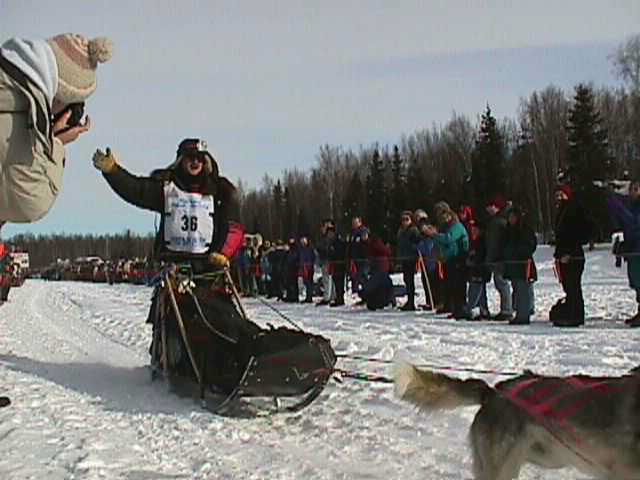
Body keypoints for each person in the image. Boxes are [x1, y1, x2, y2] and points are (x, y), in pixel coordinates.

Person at [93, 138, 255, 382]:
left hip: (208, 266)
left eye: (200, 158)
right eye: (190, 158)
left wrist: (223, 253)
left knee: (221, 313)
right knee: (175, 315)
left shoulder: (219, 191)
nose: (195, 162)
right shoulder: (167, 187)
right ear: (181, 160)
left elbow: (233, 226)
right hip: (174, 267)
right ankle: (169, 358)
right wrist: (113, 171)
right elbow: (135, 189)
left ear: (207, 161)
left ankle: (235, 359)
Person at [1, 33, 113, 224]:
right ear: (59, 93)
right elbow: (30, 204)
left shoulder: (13, 102)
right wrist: (56, 145)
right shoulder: (23, 124)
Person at [552, 184, 592, 327]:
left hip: (573, 255)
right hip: (565, 254)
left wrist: (568, 252)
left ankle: (576, 316)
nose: (558, 198)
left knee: (573, 286)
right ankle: (571, 313)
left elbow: (575, 234)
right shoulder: (562, 211)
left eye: (561, 195)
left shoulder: (573, 210)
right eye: (557, 195)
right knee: (569, 286)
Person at [423, 205, 469, 319]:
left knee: (458, 285)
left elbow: (448, 239)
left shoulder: (456, 226)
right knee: (449, 284)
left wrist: (434, 234)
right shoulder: (446, 228)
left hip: (457, 259)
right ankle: (451, 306)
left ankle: (460, 308)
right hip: (448, 260)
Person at [607, 180, 640, 326]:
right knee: (636, 282)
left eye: (637, 189)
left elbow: (632, 222)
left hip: (638, 249)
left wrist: (617, 204)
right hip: (632, 249)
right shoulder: (630, 205)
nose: (634, 191)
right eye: (632, 189)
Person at [502, 206, 537, 325]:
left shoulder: (525, 230)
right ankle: (520, 313)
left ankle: (524, 315)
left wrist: (516, 252)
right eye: (509, 217)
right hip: (513, 265)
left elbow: (529, 246)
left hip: (523, 265)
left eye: (513, 217)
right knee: (517, 289)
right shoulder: (509, 230)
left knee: (524, 290)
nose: (511, 219)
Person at [484, 195, 514, 321]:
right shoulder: (495, 220)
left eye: (492, 206)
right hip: (495, 256)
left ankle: (507, 309)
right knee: (500, 284)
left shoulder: (500, 221)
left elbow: (500, 241)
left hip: (499, 257)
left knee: (502, 284)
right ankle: (506, 308)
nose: (489, 209)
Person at [396, 210, 420, 310]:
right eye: (403, 220)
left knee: (410, 280)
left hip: (411, 258)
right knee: (406, 279)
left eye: (407, 219)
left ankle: (411, 302)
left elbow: (418, 243)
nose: (404, 222)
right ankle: (409, 301)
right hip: (404, 257)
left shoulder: (413, 230)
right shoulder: (401, 231)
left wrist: (413, 247)